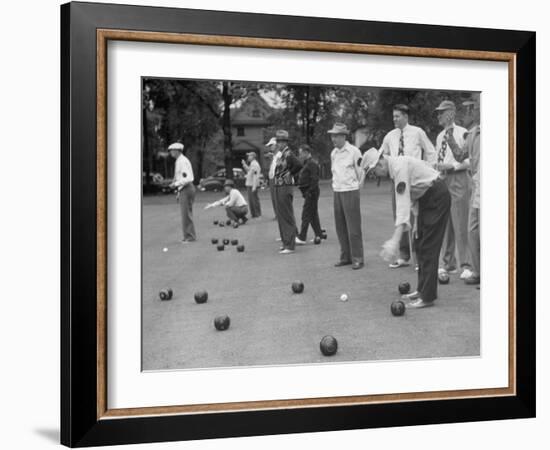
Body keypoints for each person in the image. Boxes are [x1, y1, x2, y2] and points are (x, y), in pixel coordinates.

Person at [361, 148, 451, 308]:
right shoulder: (396, 168)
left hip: (436, 197)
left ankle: (427, 298)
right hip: (426, 199)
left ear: (380, 163)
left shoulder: (399, 168)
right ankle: (421, 289)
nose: (376, 175)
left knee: (429, 247)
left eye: (374, 172)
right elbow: (413, 196)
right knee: (419, 244)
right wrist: (416, 222)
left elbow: (402, 206)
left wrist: (395, 241)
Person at [380, 104, 436, 268]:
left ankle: (419, 257)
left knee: (417, 219)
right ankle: (404, 256)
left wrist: (429, 170)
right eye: (393, 116)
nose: (394, 119)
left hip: (416, 182)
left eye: (397, 116)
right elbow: (381, 155)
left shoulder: (418, 132)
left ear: (406, 116)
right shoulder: (389, 136)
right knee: (400, 215)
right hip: (397, 181)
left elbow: (431, 151)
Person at [434, 100, 473, 279]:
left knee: (460, 222)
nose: (438, 116)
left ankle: (465, 264)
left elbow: (469, 161)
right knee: (446, 223)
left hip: (458, 179)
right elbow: (438, 158)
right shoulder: (439, 136)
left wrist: (451, 166)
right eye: (438, 112)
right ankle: (448, 263)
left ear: (450, 113)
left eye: (441, 112)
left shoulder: (463, 133)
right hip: (443, 181)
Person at [328, 123, 364, 270]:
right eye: (332, 136)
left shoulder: (354, 152)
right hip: (337, 191)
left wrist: (357, 189)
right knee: (341, 227)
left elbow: (361, 173)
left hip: (350, 191)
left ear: (343, 136)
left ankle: (358, 258)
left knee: (353, 228)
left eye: (336, 136)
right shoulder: (333, 153)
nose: (333, 139)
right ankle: (346, 257)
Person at [272, 130, 302, 254]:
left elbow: (298, 165)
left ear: (285, 142)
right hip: (279, 186)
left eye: (281, 141)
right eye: (278, 141)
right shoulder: (281, 154)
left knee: (286, 215)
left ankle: (290, 245)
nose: (279, 143)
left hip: (286, 186)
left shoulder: (288, 153)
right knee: (281, 215)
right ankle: (286, 243)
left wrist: (290, 173)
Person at [461, 100, 481, 285]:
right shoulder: (471, 134)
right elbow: (460, 155)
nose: (463, 115)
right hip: (477, 186)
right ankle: (477, 271)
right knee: (473, 230)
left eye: (467, 111)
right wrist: (451, 135)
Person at [168, 142, 196, 243]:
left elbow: (188, 178)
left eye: (172, 150)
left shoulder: (182, 161)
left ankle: (190, 237)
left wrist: (176, 184)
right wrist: (177, 187)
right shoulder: (179, 160)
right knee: (186, 214)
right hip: (184, 188)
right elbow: (180, 177)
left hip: (187, 188)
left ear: (177, 151)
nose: (170, 152)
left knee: (186, 214)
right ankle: (187, 236)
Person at [295, 144, 323, 245]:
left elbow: (314, 179)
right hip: (310, 192)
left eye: (301, 153)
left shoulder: (311, 163)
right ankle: (319, 234)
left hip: (311, 192)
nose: (299, 156)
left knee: (306, 214)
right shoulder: (307, 163)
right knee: (313, 214)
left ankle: (302, 237)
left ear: (306, 153)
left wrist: (310, 192)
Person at [242, 151, 262, 218]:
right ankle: (254, 214)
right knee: (251, 200)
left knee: (254, 200)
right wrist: (244, 164)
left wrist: (254, 187)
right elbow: (249, 171)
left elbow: (255, 176)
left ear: (253, 157)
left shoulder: (255, 164)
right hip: (250, 184)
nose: (248, 157)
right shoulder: (252, 164)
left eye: (249, 156)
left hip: (252, 185)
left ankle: (257, 214)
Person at [265, 137, 280, 220]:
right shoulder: (274, 156)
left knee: (277, 198)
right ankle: (277, 215)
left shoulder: (279, 155)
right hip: (272, 179)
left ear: (276, 145)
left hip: (276, 178)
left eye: (271, 145)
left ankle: (279, 215)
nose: (270, 147)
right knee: (273, 198)